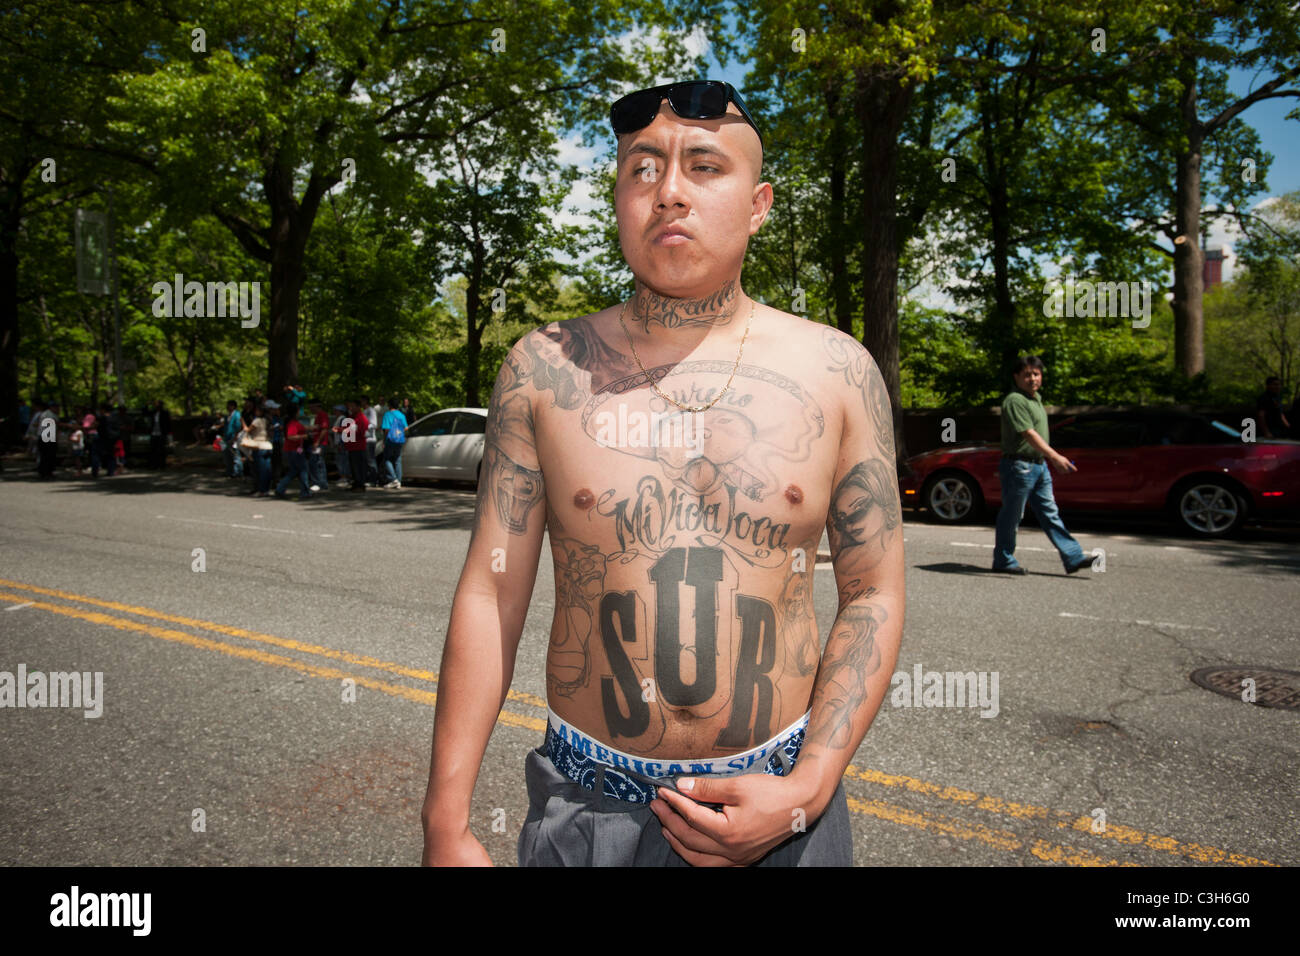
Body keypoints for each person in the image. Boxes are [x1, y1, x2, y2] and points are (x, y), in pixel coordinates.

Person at [420, 79, 905, 867]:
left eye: (705, 167)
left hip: (781, 809)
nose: (669, 192)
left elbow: (873, 592)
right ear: (617, 198)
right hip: (589, 810)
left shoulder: (838, 372)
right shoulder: (542, 368)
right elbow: (491, 589)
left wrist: (810, 787)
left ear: (759, 204)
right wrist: (446, 821)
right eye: (642, 170)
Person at [991, 355, 1093, 575]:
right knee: (1012, 515)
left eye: (1036, 374)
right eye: (1027, 374)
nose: (1032, 378)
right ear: (1016, 376)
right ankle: (1003, 560)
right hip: (1019, 467)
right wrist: (1055, 457)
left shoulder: (1035, 399)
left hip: (1038, 466)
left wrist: (1048, 460)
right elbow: (1028, 434)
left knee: (1050, 513)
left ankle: (1073, 557)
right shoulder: (1015, 400)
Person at [275, 403, 312, 500]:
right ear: (296, 412)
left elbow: (302, 428)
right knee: (303, 470)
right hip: (294, 450)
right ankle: (305, 492)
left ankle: (280, 488)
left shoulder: (293, 422)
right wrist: (304, 436)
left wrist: (314, 428)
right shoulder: (292, 423)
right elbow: (291, 436)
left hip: (292, 449)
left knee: (294, 471)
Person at [241, 403, 273, 496]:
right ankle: (266, 489)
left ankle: (261, 489)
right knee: (266, 469)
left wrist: (242, 421)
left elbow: (247, 430)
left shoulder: (257, 420)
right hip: (268, 445)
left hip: (258, 446)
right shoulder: (267, 420)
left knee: (259, 470)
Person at [338, 399, 369, 492]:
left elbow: (359, 431)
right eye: (349, 406)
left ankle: (360, 485)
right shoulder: (352, 417)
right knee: (353, 466)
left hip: (358, 446)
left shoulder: (361, 418)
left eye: (352, 406)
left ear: (358, 407)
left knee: (358, 466)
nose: (350, 408)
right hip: (351, 445)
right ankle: (356, 483)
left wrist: (343, 430)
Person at [380, 396, 407, 489]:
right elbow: (406, 428)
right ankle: (398, 481)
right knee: (397, 460)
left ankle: (393, 479)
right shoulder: (401, 415)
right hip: (400, 440)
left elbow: (386, 429)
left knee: (387, 459)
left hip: (390, 439)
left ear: (389, 405)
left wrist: (384, 440)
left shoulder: (387, 414)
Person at [307, 399, 330, 492]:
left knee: (317, 462)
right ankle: (320, 483)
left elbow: (324, 429)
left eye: (311, 407)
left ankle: (319, 483)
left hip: (320, 444)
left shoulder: (322, 415)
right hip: (317, 443)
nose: (310, 409)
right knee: (316, 461)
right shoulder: (318, 416)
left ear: (316, 406)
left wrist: (317, 442)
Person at [363, 395, 382, 486]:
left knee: (371, 459)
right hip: (365, 439)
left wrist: (364, 427)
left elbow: (374, 424)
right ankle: (368, 478)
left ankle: (374, 480)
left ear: (365, 401)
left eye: (362, 401)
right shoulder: (364, 411)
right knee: (367, 460)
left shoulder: (371, 411)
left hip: (370, 439)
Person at [222, 400, 244, 478]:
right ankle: (229, 471)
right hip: (227, 437)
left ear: (233, 406)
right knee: (227, 456)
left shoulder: (237, 415)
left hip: (233, 438)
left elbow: (238, 427)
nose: (227, 407)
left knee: (235, 456)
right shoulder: (228, 415)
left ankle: (238, 472)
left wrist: (235, 437)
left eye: (229, 405)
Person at [148, 399, 172, 469]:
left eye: (158, 404)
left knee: (161, 450)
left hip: (161, 434)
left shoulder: (165, 413)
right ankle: (153, 465)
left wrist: (168, 434)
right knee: (153, 450)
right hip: (153, 433)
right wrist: (148, 404)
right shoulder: (153, 412)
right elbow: (144, 412)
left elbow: (168, 424)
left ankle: (162, 465)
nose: (157, 406)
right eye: (156, 405)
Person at [331, 404, 351, 483]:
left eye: (336, 410)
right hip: (340, 442)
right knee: (340, 460)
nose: (334, 412)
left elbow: (345, 431)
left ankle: (344, 477)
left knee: (342, 460)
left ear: (340, 412)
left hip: (342, 443)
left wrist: (341, 442)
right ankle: (343, 476)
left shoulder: (343, 419)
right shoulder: (339, 419)